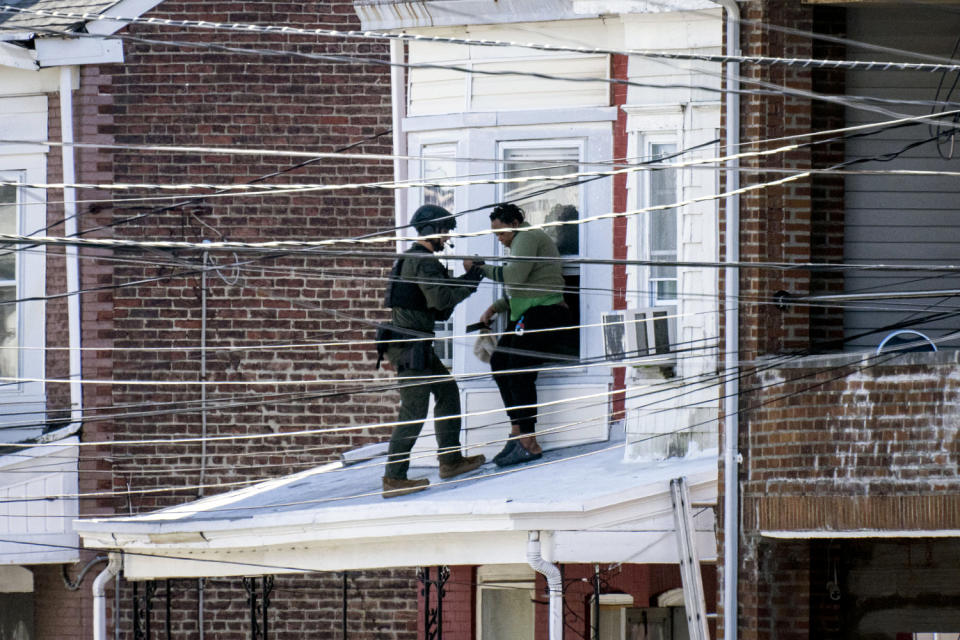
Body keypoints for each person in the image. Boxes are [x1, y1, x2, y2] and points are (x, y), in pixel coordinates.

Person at [379, 204, 487, 497]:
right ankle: (394, 477)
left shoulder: (413, 258)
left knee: (448, 392)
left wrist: (464, 281)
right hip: (410, 347)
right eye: (445, 230)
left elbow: (437, 309)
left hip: (416, 343)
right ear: (434, 230)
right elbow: (440, 302)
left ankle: (450, 460)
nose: (447, 237)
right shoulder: (423, 261)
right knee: (414, 409)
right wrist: (473, 277)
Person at [478, 203, 574, 468]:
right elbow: (527, 288)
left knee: (518, 368)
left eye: (501, 233)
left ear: (515, 225)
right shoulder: (523, 241)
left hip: (546, 313)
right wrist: (495, 308)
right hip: (531, 311)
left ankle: (529, 442)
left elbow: (514, 277)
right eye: (495, 235)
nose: (500, 240)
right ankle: (518, 432)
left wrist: (480, 267)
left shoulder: (527, 237)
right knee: (500, 361)